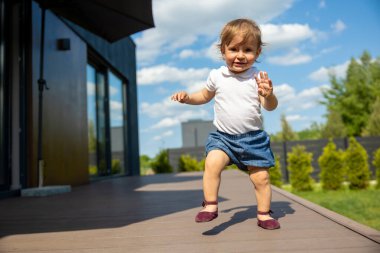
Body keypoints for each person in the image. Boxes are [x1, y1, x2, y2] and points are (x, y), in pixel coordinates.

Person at [171, 18, 280, 230]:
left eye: (247, 50)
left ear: (257, 53)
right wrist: (187, 98)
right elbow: (203, 96)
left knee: (261, 179)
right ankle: (210, 205)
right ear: (223, 50)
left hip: (253, 139)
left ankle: (264, 214)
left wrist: (269, 94)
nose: (240, 55)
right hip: (223, 137)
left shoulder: (257, 78)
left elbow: (270, 106)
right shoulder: (217, 76)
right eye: (233, 49)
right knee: (212, 163)